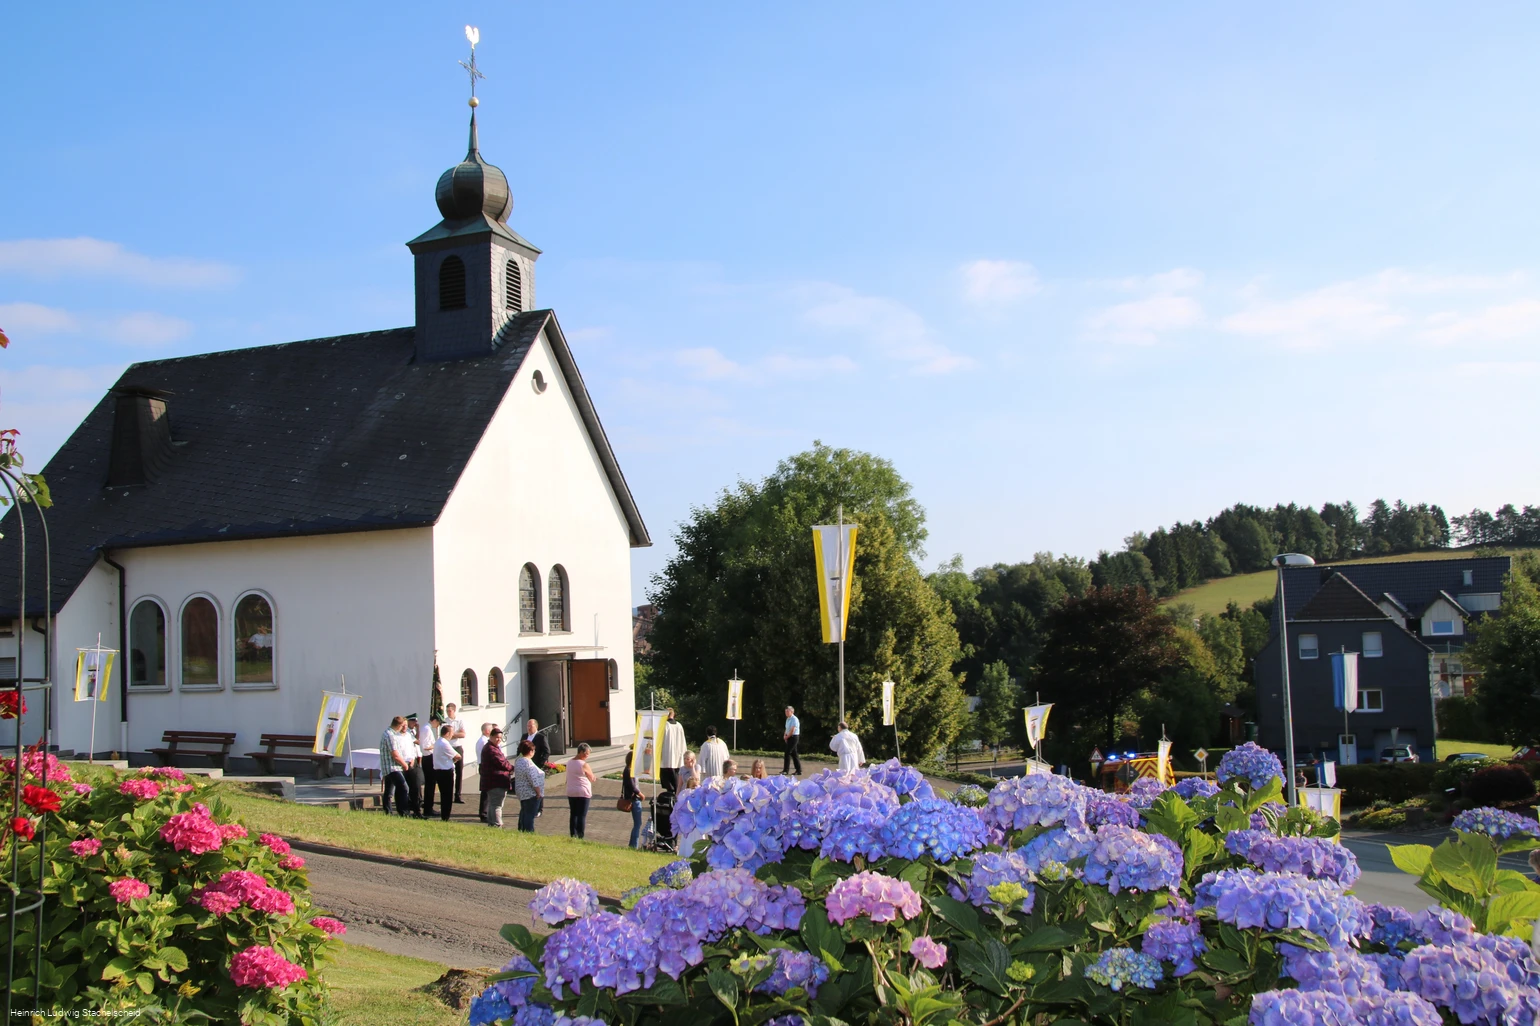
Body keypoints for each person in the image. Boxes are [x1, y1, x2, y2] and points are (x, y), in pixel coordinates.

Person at [481, 728, 513, 828]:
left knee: (492, 804)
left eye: (500, 738)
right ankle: (496, 824)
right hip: (496, 781)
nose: (499, 740)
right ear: (491, 737)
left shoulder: (492, 747)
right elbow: (502, 763)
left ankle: (492, 823)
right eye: (496, 737)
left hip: (493, 781)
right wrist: (512, 768)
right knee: (497, 805)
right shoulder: (491, 749)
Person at [380, 716, 412, 816]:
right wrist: (404, 764)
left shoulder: (388, 733)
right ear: (399, 725)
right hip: (392, 767)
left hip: (390, 767)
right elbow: (395, 755)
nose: (403, 728)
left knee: (389, 791)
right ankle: (403, 812)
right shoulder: (390, 736)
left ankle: (388, 811)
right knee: (403, 787)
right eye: (402, 726)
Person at [566, 742, 597, 839]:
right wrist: (593, 777)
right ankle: (580, 835)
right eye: (586, 754)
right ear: (581, 752)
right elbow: (592, 778)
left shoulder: (569, 762)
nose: (587, 756)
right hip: (582, 791)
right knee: (581, 815)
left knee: (573, 814)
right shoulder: (584, 764)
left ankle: (573, 834)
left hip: (571, 791)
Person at [430, 724, 460, 822]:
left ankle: (444, 815)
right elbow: (458, 756)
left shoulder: (438, 741)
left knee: (443, 794)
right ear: (447, 733)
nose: (452, 735)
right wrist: (454, 760)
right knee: (447, 795)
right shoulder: (444, 743)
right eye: (451, 733)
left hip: (439, 770)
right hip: (445, 771)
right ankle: (446, 816)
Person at [512, 739, 544, 832]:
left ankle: (521, 829)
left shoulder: (518, 761)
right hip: (530, 793)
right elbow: (533, 779)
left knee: (524, 812)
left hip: (521, 791)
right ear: (530, 751)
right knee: (530, 814)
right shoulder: (528, 763)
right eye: (533, 750)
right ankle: (528, 831)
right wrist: (538, 792)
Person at [524, 718, 551, 817]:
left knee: (538, 788)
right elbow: (520, 750)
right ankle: (528, 808)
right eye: (527, 726)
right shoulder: (524, 736)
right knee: (528, 788)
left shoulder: (541, 737)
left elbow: (547, 751)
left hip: (536, 766)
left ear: (536, 726)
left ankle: (539, 809)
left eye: (530, 726)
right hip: (526, 766)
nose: (529, 728)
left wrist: (540, 764)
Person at [444, 702, 468, 803]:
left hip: (457, 747)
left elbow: (463, 734)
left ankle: (458, 795)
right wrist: (454, 734)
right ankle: (447, 795)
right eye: (447, 711)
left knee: (459, 772)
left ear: (454, 710)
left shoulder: (459, 721)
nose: (448, 713)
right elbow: (444, 735)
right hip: (448, 747)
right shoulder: (445, 721)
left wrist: (452, 734)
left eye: (450, 711)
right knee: (448, 771)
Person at [404, 713, 427, 818]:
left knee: (418, 783)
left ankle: (417, 803)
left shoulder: (412, 732)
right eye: (413, 721)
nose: (415, 723)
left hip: (416, 758)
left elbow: (417, 741)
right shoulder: (407, 733)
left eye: (415, 721)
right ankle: (414, 806)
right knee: (414, 784)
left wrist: (417, 729)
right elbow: (417, 741)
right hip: (410, 761)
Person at [659, 708, 687, 794]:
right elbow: (683, 740)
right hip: (678, 753)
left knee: (667, 773)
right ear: (673, 714)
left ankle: (671, 790)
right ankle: (677, 789)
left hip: (667, 753)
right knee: (676, 773)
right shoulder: (679, 725)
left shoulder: (664, 725)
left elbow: (660, 740)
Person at [418, 715, 440, 818]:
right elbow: (426, 746)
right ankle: (428, 809)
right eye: (438, 723)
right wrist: (436, 745)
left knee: (430, 785)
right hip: (428, 758)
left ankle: (429, 807)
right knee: (430, 785)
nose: (438, 725)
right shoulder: (427, 729)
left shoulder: (426, 728)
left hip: (428, 758)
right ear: (434, 720)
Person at [622, 749, 644, 849]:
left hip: (633, 798)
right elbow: (633, 787)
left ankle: (632, 844)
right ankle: (634, 845)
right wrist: (641, 794)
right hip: (634, 799)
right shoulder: (629, 771)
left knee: (637, 823)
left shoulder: (629, 770)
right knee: (638, 823)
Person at [475, 723, 496, 822]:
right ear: (487, 731)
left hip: (484, 766)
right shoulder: (484, 742)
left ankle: (484, 811)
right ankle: (484, 813)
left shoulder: (482, 740)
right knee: (486, 791)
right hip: (485, 766)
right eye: (491, 729)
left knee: (487, 790)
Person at [783, 706, 802, 776]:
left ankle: (786, 770)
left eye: (787, 711)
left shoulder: (794, 719)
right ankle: (798, 770)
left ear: (792, 712)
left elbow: (792, 729)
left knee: (787, 753)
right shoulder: (788, 719)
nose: (786, 713)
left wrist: (787, 736)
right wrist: (785, 735)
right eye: (785, 711)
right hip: (789, 737)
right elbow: (787, 728)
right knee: (794, 754)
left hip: (794, 737)